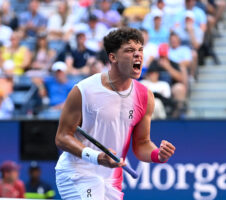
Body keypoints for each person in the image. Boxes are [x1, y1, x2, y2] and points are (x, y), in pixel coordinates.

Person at [55, 27, 175, 200]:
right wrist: (97, 157)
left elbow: (142, 144)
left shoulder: (145, 96)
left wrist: (158, 155)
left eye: (140, 50)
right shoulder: (83, 90)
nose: (138, 55)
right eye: (129, 50)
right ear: (113, 57)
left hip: (111, 179)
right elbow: (62, 137)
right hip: (77, 173)